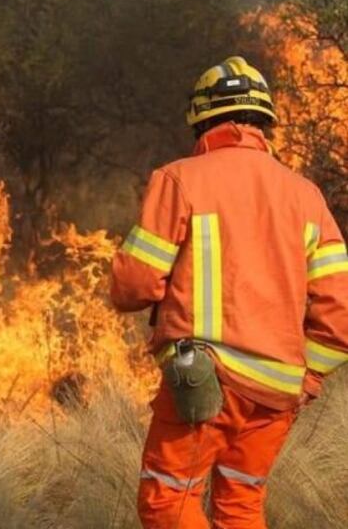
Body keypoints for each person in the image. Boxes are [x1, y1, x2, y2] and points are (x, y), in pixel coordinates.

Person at [111, 55, 348, 528]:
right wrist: (309, 378)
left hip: (205, 382)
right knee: (240, 505)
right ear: (264, 120)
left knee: (168, 503)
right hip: (277, 391)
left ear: (202, 119)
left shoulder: (179, 179)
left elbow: (132, 286)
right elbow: (340, 312)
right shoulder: (306, 196)